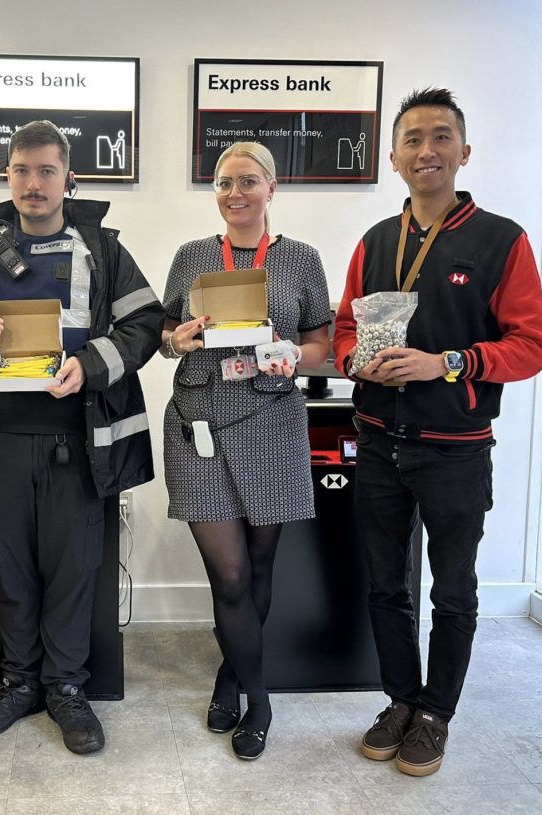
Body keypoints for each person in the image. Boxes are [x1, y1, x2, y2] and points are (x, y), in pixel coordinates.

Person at [0, 120, 163, 755]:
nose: (34, 183)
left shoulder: (104, 250)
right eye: (22, 171)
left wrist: (90, 365)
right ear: (7, 176)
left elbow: (145, 322)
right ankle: (18, 684)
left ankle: (67, 690)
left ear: (68, 179)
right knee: (12, 570)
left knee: (73, 570)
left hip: (78, 441)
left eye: (46, 171)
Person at [333, 88, 542, 776]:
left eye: (440, 137)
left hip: (455, 451)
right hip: (376, 439)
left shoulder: (500, 239)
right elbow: (345, 332)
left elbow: (533, 344)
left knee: (452, 589)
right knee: (383, 585)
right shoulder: (375, 242)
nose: (426, 150)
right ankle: (399, 697)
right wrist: (358, 361)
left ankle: (436, 712)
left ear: (463, 150)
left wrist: (447, 362)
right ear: (394, 157)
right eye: (413, 140)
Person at [161, 142, 331, 760]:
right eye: (225, 182)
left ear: (271, 188)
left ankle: (232, 672)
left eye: (249, 182)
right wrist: (176, 339)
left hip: (271, 422)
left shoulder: (300, 259)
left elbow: (323, 344)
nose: (236, 193)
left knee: (259, 569)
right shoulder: (193, 258)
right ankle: (259, 698)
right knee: (229, 573)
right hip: (198, 426)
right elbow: (163, 336)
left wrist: (294, 355)